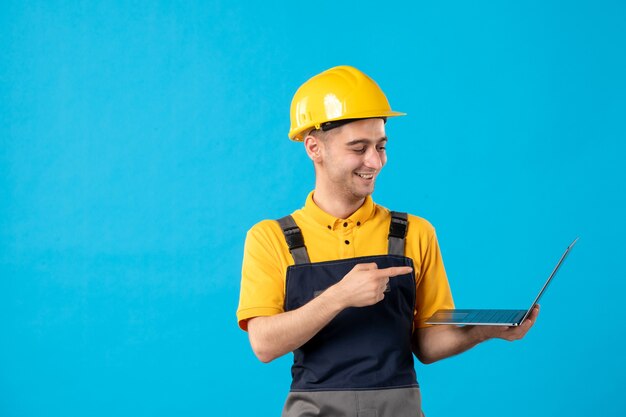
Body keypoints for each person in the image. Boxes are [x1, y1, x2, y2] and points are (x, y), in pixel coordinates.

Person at [236, 65, 539, 417]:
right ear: (314, 147)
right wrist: (340, 296)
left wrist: (483, 332)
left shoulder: (415, 233)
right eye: (358, 147)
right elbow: (263, 344)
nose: (375, 161)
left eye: (381, 146)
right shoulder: (271, 238)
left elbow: (426, 344)